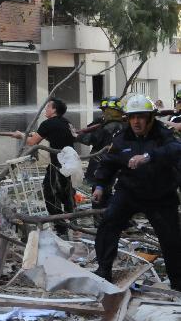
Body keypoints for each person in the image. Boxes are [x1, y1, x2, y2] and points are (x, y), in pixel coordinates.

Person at [92, 94, 181, 289]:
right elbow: (109, 162)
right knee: (108, 224)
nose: (136, 122)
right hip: (129, 192)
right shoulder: (122, 137)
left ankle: (177, 282)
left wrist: (149, 156)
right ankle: (103, 271)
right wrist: (100, 185)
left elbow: (176, 149)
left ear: (150, 118)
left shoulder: (163, 134)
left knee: (171, 239)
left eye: (140, 117)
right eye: (132, 117)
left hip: (161, 195)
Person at [10, 98, 76, 235]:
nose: (45, 109)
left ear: (54, 110)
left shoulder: (48, 123)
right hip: (70, 165)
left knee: (51, 195)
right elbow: (59, 136)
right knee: (67, 194)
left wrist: (20, 135)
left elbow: (32, 142)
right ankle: (74, 224)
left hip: (57, 166)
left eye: (48, 107)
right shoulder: (66, 122)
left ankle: (60, 228)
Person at [78, 97, 125, 213]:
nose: (104, 113)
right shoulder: (122, 125)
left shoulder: (109, 127)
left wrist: (76, 136)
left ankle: (102, 220)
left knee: (99, 193)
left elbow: (92, 139)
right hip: (113, 164)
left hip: (102, 164)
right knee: (107, 191)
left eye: (105, 110)